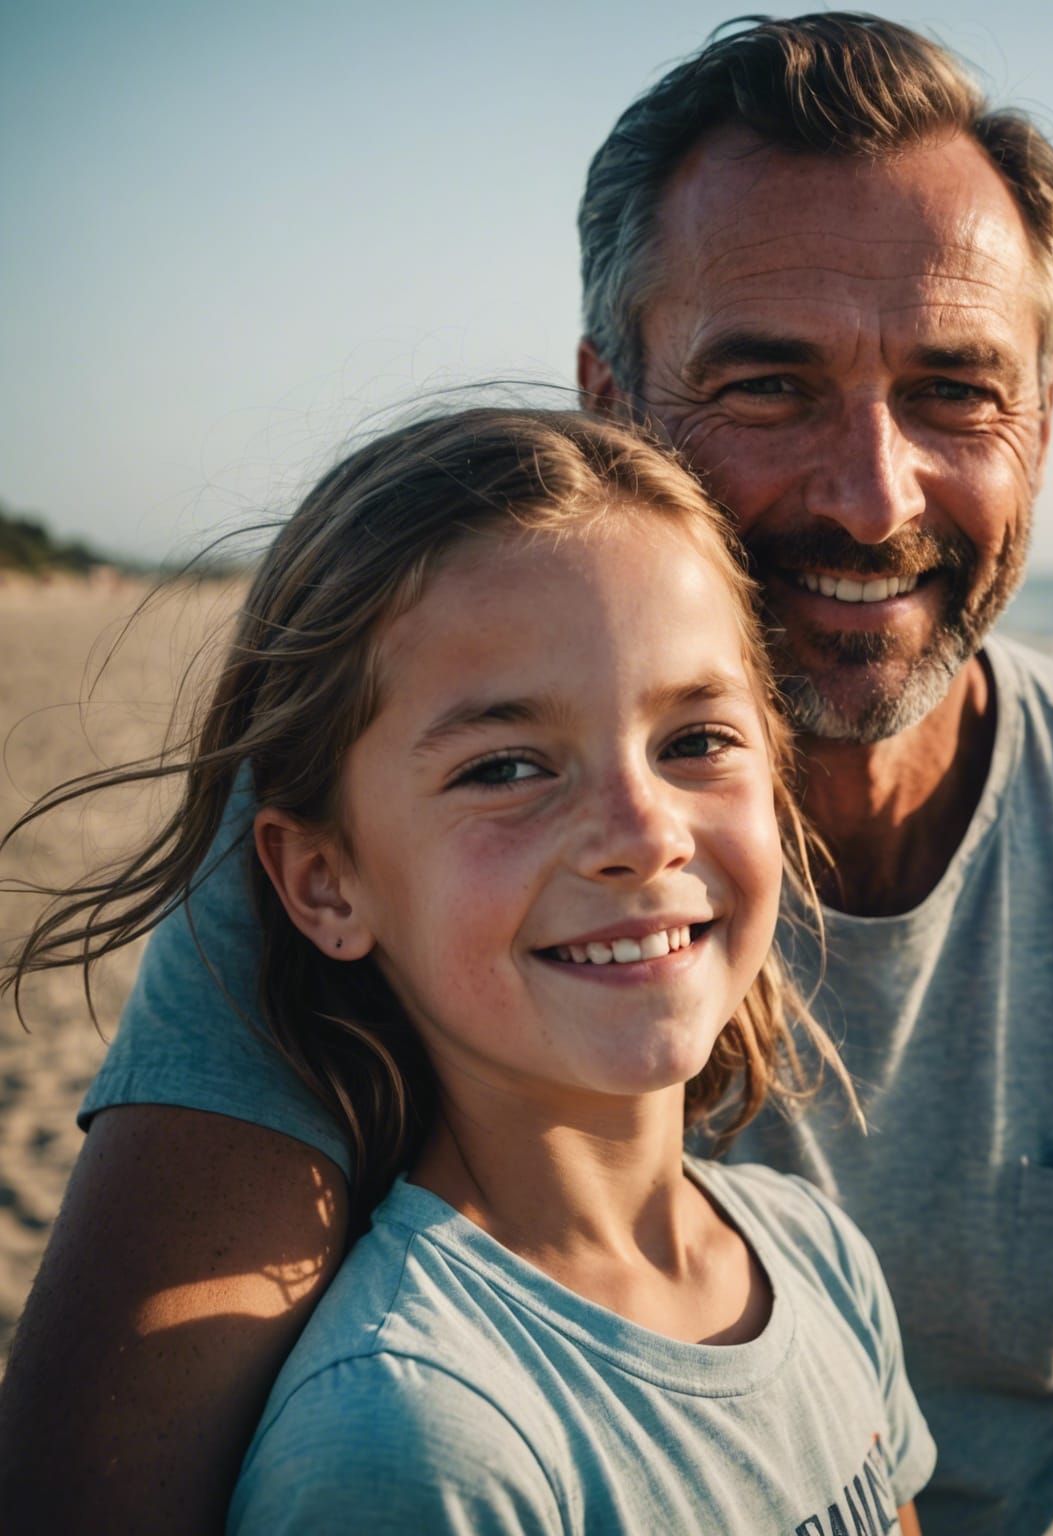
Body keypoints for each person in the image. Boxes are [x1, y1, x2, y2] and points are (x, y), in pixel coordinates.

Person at [0, 15, 1053, 1535]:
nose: (872, 493)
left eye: (958, 389)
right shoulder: (392, 864)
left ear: (1043, 422)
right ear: (609, 405)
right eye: (769, 386)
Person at [5, 409, 934, 1533]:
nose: (642, 831)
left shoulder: (816, 1254)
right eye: (504, 765)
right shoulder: (416, 1441)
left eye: (696, 739)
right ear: (325, 884)